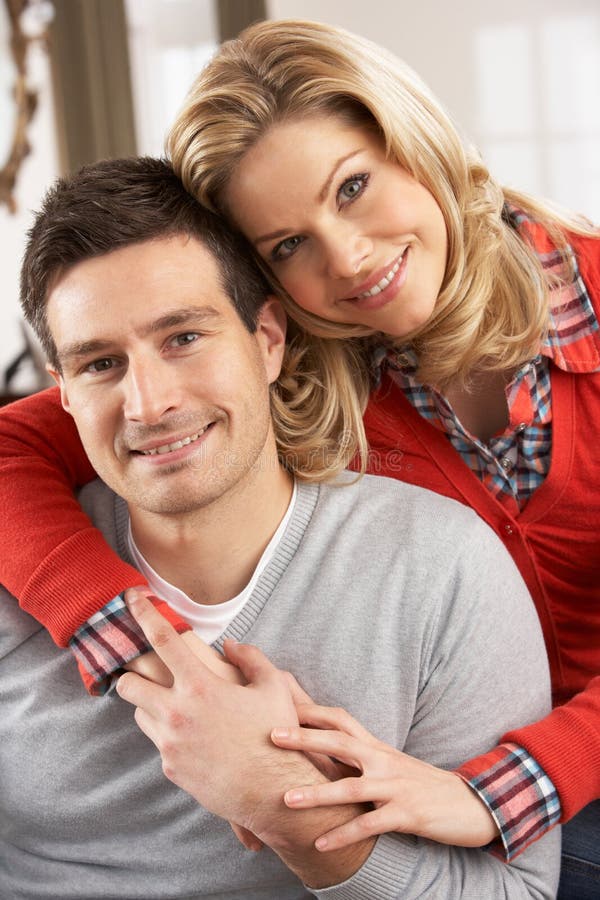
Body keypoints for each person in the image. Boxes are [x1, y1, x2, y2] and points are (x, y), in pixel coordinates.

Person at [0, 14, 597, 892]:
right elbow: (26, 437)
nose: (349, 259)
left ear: (413, 141)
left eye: (352, 187)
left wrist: (509, 791)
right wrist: (125, 630)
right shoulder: (301, 373)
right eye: (288, 245)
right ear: (266, 306)